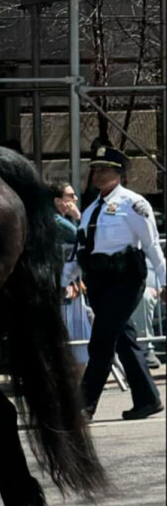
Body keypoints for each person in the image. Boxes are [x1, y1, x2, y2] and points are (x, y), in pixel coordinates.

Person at [67, 146, 165, 420]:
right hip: (100, 283)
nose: (97, 174)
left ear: (119, 173)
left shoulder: (133, 204)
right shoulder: (89, 211)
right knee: (124, 340)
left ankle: (84, 406)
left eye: (104, 169)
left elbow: (152, 245)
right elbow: (81, 252)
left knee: (101, 341)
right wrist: (63, 280)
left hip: (126, 279)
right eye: (95, 169)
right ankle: (147, 398)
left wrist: (166, 281)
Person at [50, 181, 91, 367]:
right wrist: (78, 216)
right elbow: (84, 238)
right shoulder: (56, 221)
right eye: (70, 195)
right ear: (58, 201)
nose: (75, 199)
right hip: (62, 284)